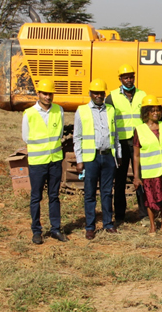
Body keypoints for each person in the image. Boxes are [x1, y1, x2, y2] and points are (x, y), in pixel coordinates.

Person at [73, 78, 122, 240]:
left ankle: (108, 224)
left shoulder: (111, 110)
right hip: (91, 158)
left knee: (107, 192)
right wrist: (79, 160)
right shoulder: (81, 111)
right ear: (90, 94)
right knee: (90, 194)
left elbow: (115, 135)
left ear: (104, 94)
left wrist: (118, 155)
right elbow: (77, 137)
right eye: (95, 93)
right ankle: (90, 227)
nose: (98, 96)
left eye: (101, 93)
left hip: (108, 156)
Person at [22, 79, 67, 244]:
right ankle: (36, 231)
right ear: (38, 94)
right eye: (45, 93)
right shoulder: (29, 114)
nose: (48, 97)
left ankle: (55, 229)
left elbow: (60, 132)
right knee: (36, 197)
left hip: (55, 161)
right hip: (37, 162)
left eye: (50, 94)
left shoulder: (59, 110)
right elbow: (25, 137)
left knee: (54, 196)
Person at [105, 64, 147, 225]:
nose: (129, 80)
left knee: (141, 178)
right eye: (125, 77)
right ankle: (120, 216)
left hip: (138, 142)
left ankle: (143, 215)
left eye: (131, 77)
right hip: (121, 144)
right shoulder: (112, 97)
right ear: (120, 79)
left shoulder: (142, 95)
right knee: (120, 180)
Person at [133, 95, 162, 236]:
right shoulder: (139, 130)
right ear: (146, 112)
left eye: (158, 110)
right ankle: (152, 226)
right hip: (149, 172)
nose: (156, 113)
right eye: (152, 110)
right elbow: (136, 155)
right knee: (149, 199)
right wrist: (136, 176)